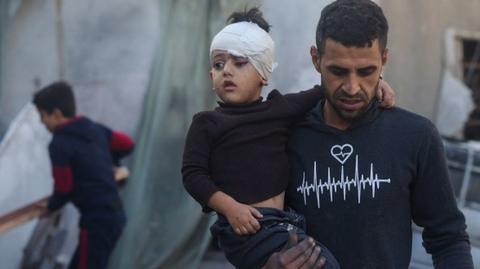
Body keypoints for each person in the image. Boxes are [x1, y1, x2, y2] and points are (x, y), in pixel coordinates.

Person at [263, 0, 474, 268]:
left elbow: (448, 238)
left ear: (384, 59)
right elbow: (246, 228)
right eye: (338, 71)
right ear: (316, 59)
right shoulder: (285, 136)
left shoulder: (415, 136)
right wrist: (266, 264)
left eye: (366, 71)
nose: (352, 87)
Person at [181, 7, 395, 269]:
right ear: (210, 75)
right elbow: (192, 174)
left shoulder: (279, 109)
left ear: (264, 73)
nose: (227, 71)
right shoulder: (207, 123)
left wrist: (375, 83)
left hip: (284, 222)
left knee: (326, 261)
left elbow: (328, 90)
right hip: (246, 228)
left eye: (239, 63)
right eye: (218, 64)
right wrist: (230, 208)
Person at [33, 81, 134, 269]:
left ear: (56, 114)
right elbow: (127, 143)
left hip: (96, 222)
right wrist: (108, 162)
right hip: (115, 216)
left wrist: (49, 207)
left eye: (42, 116)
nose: (41, 122)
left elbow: (64, 187)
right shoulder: (94, 129)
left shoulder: (59, 144)